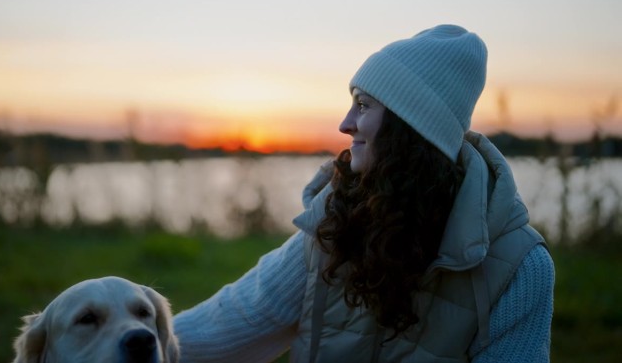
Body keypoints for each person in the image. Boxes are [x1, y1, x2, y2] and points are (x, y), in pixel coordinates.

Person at [173, 24, 555, 362]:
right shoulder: (336, 222)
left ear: (409, 125)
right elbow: (236, 319)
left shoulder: (520, 268)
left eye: (362, 105)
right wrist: (128, 340)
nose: (345, 123)